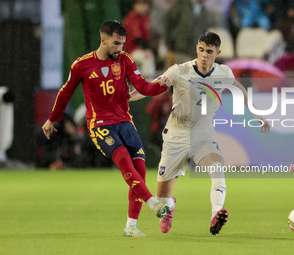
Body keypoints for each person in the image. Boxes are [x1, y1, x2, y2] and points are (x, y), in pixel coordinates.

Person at [130, 32, 270, 235]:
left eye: (209, 51)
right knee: (161, 199)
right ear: (197, 48)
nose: (204, 55)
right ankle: (170, 207)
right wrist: (126, 97)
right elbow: (151, 88)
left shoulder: (224, 73)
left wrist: (257, 113)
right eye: (201, 50)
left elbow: (240, 89)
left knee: (218, 172)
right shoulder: (179, 71)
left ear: (218, 52)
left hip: (203, 136)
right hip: (176, 136)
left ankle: (216, 214)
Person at [42, 20, 172, 237]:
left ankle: (131, 227)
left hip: (124, 121)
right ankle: (153, 203)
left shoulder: (125, 60)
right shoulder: (81, 65)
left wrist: (162, 84)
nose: (119, 48)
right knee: (123, 161)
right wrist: (52, 119)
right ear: (103, 40)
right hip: (100, 124)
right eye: (115, 43)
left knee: (140, 171)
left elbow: (142, 87)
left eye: (122, 43)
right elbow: (65, 93)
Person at [123, 0, 156, 77]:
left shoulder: (146, 18)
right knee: (147, 58)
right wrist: (145, 50)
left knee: (148, 58)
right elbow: (137, 38)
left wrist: (147, 49)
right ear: (135, 5)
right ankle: (148, 86)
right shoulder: (131, 17)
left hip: (140, 49)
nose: (142, 7)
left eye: (144, 4)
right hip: (130, 50)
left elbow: (147, 38)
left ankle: (145, 86)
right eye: (139, 4)